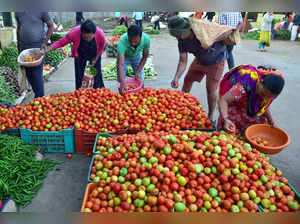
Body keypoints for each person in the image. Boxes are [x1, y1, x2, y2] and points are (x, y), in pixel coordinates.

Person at [168, 16, 227, 123]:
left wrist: (212, 39)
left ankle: (210, 115)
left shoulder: (202, 30)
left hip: (216, 62)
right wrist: (176, 77)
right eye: (176, 36)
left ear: (187, 30)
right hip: (199, 60)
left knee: (211, 90)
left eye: (179, 35)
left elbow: (225, 32)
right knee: (187, 80)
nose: (178, 38)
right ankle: (182, 105)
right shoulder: (181, 41)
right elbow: (183, 61)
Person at [218, 64, 285, 134]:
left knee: (261, 124)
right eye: (263, 94)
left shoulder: (270, 94)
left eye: (267, 97)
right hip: (234, 105)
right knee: (227, 129)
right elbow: (224, 100)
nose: (264, 98)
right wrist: (225, 119)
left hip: (247, 108)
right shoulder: (244, 86)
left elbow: (264, 107)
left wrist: (272, 122)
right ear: (260, 82)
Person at [44, 20, 106, 90]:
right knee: (80, 74)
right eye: (85, 37)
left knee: (96, 73)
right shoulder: (74, 33)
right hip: (80, 54)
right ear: (81, 32)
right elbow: (61, 42)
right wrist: (49, 48)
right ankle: (79, 92)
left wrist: (96, 59)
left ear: (94, 33)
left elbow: (102, 47)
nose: (88, 39)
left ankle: (97, 91)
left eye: (90, 37)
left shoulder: (100, 34)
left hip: (94, 54)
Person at [15, 12, 54, 98]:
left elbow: (51, 26)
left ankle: (40, 99)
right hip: (24, 47)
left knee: (36, 74)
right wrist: (18, 47)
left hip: (37, 47)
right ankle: (38, 96)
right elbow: (19, 28)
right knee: (29, 74)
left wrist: (45, 42)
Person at [117, 25, 150, 93]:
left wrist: (138, 72)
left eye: (135, 41)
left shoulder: (146, 39)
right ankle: (122, 97)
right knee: (121, 80)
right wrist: (123, 82)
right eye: (130, 40)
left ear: (140, 37)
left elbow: (144, 57)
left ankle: (141, 96)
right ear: (128, 36)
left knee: (140, 78)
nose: (132, 43)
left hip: (137, 56)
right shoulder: (122, 41)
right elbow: (121, 64)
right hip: (124, 57)